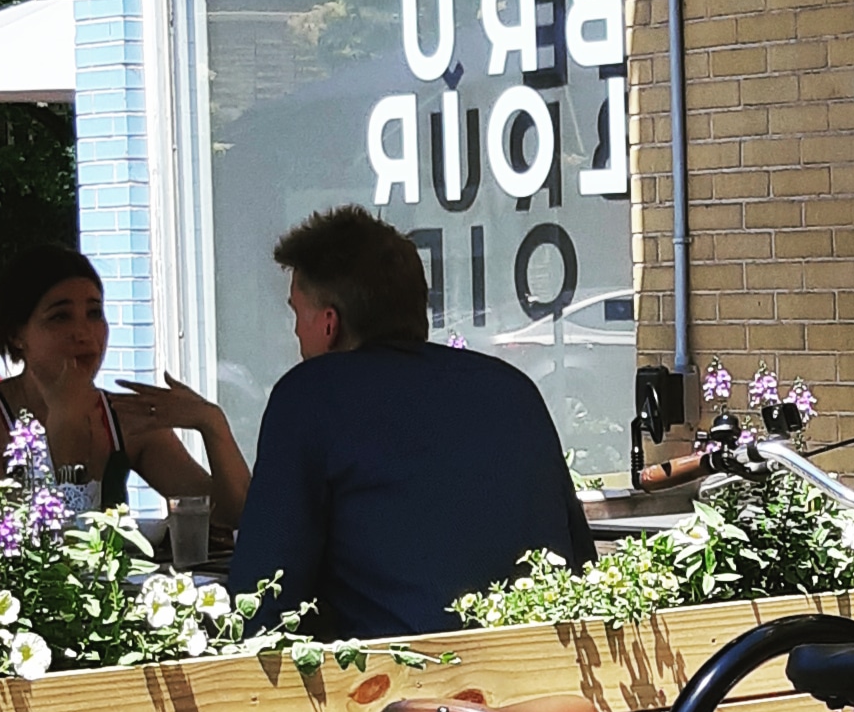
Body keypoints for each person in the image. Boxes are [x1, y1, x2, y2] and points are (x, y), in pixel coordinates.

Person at [228, 206, 592, 637]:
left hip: (397, 690)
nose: (295, 333)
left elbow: (262, 601)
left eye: (297, 314)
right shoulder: (511, 389)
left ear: (329, 323)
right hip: (540, 678)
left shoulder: (311, 395)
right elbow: (579, 560)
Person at [0, 246, 250, 524]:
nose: (83, 332)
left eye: (94, 313)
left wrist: (212, 423)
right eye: (60, 317)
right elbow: (8, 538)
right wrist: (65, 426)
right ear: (17, 334)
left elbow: (228, 516)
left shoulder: (124, 416)